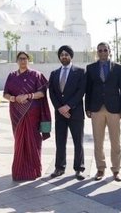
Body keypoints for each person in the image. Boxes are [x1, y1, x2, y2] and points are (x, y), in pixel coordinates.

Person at [3, 51, 51, 181]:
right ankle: (19, 171)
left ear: (28, 60)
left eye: (25, 58)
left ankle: (34, 171)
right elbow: (5, 94)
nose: (23, 61)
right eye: (20, 59)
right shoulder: (12, 76)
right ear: (17, 61)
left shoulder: (36, 75)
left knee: (33, 141)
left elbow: (42, 93)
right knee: (19, 141)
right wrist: (14, 98)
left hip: (32, 113)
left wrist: (28, 96)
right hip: (16, 113)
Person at [85, 42, 121, 182]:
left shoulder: (118, 68)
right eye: (100, 50)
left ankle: (116, 170)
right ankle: (100, 169)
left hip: (114, 109)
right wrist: (87, 108)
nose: (102, 52)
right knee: (98, 141)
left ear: (109, 51)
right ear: (97, 52)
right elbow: (88, 90)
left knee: (115, 141)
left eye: (105, 50)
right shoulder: (90, 68)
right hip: (96, 109)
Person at [49, 45, 86, 180]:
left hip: (75, 113)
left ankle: (79, 168)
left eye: (66, 54)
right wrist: (60, 108)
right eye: (61, 55)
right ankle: (59, 167)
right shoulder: (54, 74)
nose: (64, 56)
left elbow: (81, 91)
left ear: (71, 56)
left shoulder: (80, 72)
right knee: (60, 142)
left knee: (78, 142)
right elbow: (51, 92)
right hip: (60, 114)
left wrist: (68, 106)